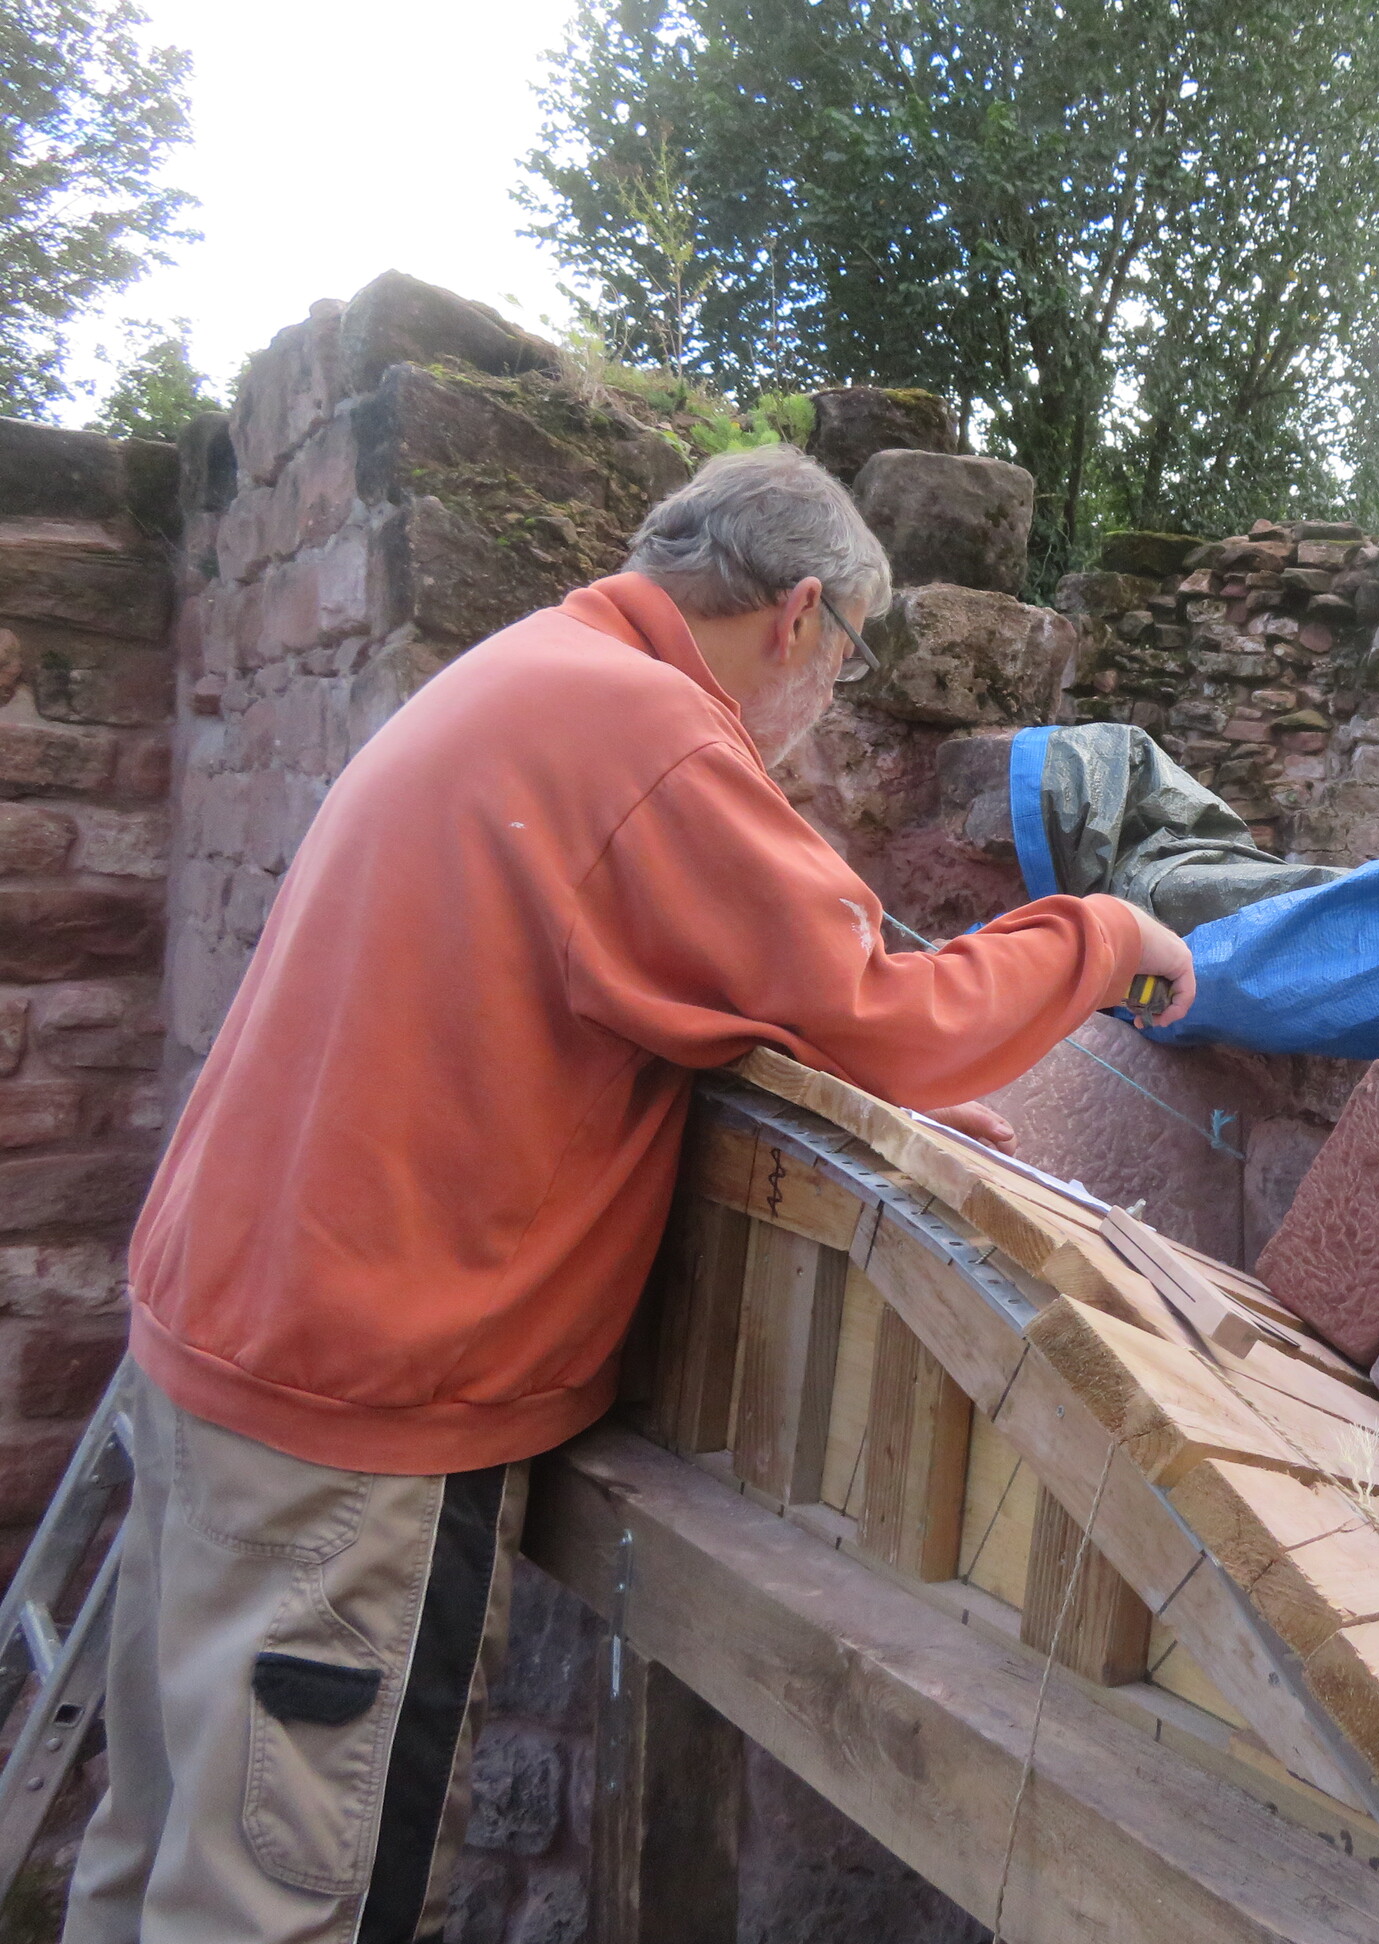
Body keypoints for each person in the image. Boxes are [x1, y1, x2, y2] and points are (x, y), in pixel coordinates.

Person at [63, 444, 1194, 1944]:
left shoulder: (532, 670)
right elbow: (884, 1014)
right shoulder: (649, 734)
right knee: (281, 1903)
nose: (828, 702)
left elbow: (623, 977)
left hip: (223, 1344)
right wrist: (1103, 939)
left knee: (156, 1852)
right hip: (357, 1411)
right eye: (847, 661)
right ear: (801, 614)